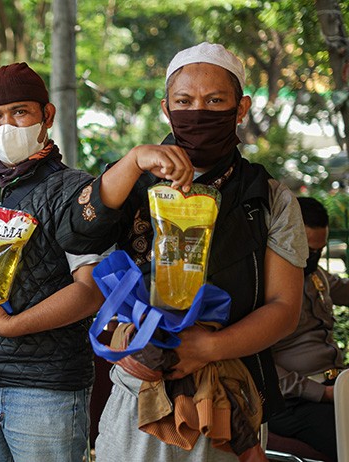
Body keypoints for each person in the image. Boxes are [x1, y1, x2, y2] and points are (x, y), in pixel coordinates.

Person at [93, 42, 308, 461]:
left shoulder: (268, 198)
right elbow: (81, 243)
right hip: (139, 393)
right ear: (166, 108)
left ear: (241, 108)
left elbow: (285, 308)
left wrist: (207, 348)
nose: (198, 112)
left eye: (214, 101)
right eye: (184, 101)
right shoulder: (129, 182)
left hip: (232, 397)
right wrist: (121, 337)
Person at [0, 62, 154, 462]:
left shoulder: (74, 192)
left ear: (47, 116)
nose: (6, 125)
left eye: (20, 111)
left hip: (46, 392)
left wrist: (9, 325)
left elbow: (90, 292)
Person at [269, 196, 345, 460]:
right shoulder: (266, 288)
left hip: (336, 386)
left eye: (320, 251)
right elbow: (261, 366)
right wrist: (322, 393)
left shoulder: (316, 276)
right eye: (310, 251)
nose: (315, 258)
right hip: (294, 401)